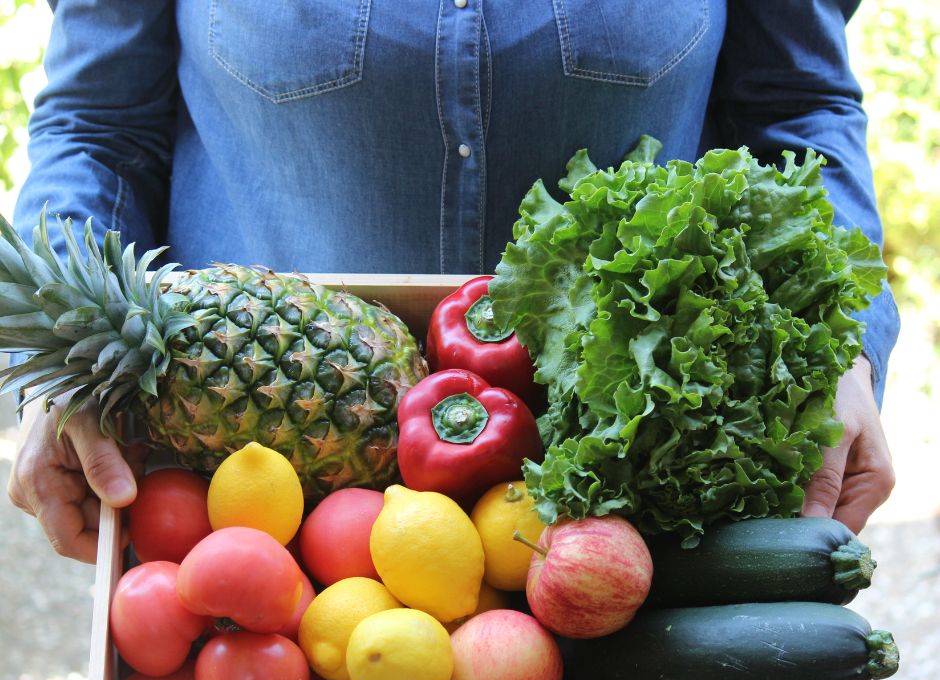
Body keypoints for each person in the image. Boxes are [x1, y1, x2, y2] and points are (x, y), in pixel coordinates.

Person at [7, 1, 899, 562]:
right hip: (243, 494)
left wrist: (844, 344)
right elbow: (96, 127)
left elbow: (797, 108)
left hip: (637, 499)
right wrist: (59, 371)